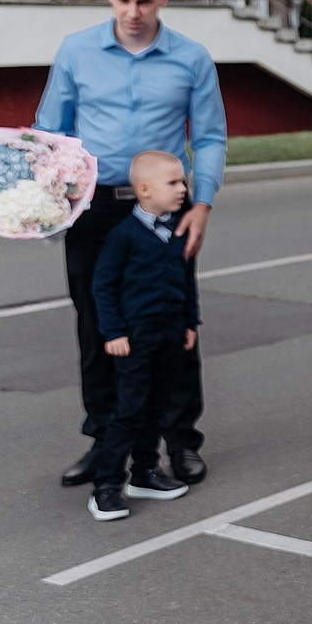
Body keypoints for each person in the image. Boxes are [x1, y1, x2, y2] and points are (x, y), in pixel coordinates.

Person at [38, 0, 226, 492]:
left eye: (144, 1)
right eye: (123, 0)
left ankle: (180, 441)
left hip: (163, 212)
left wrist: (202, 204)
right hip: (92, 209)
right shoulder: (77, 50)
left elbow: (209, 137)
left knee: (171, 326)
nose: (133, 12)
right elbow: (51, 130)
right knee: (99, 324)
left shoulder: (191, 58)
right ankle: (104, 442)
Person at [85, 150, 200, 522]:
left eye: (183, 181)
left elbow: (185, 281)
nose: (183, 189)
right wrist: (113, 331)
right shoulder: (125, 236)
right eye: (174, 182)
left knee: (157, 406)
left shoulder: (176, 230)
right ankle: (106, 486)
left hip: (169, 335)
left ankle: (145, 473)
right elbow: (103, 285)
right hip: (134, 338)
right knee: (129, 410)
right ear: (145, 190)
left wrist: (189, 323)